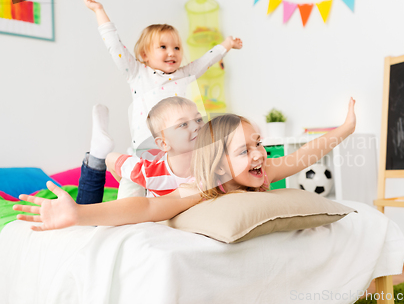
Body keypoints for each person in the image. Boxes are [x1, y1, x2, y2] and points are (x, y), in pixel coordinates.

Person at [13, 99, 356, 231]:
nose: (259, 155)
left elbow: (301, 158)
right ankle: (104, 157)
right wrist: (82, 215)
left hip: (164, 170)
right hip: (146, 174)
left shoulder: (261, 171)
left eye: (259, 144)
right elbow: (149, 205)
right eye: (244, 151)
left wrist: (344, 129)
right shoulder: (206, 187)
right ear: (219, 165)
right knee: (130, 173)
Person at [83, 0, 242, 197]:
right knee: (133, 190)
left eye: (177, 47)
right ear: (144, 54)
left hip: (177, 149)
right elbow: (114, 45)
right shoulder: (137, 73)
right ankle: (126, 217)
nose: (172, 52)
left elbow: (206, 61)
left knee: (177, 186)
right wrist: (99, 10)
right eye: (163, 47)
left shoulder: (184, 74)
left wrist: (226, 45)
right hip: (144, 149)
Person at [76, 97, 203, 204]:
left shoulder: (212, 163)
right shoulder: (149, 173)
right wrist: (137, 184)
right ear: (164, 143)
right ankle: (98, 153)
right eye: (183, 124)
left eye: (198, 119)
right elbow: (111, 160)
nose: (196, 126)